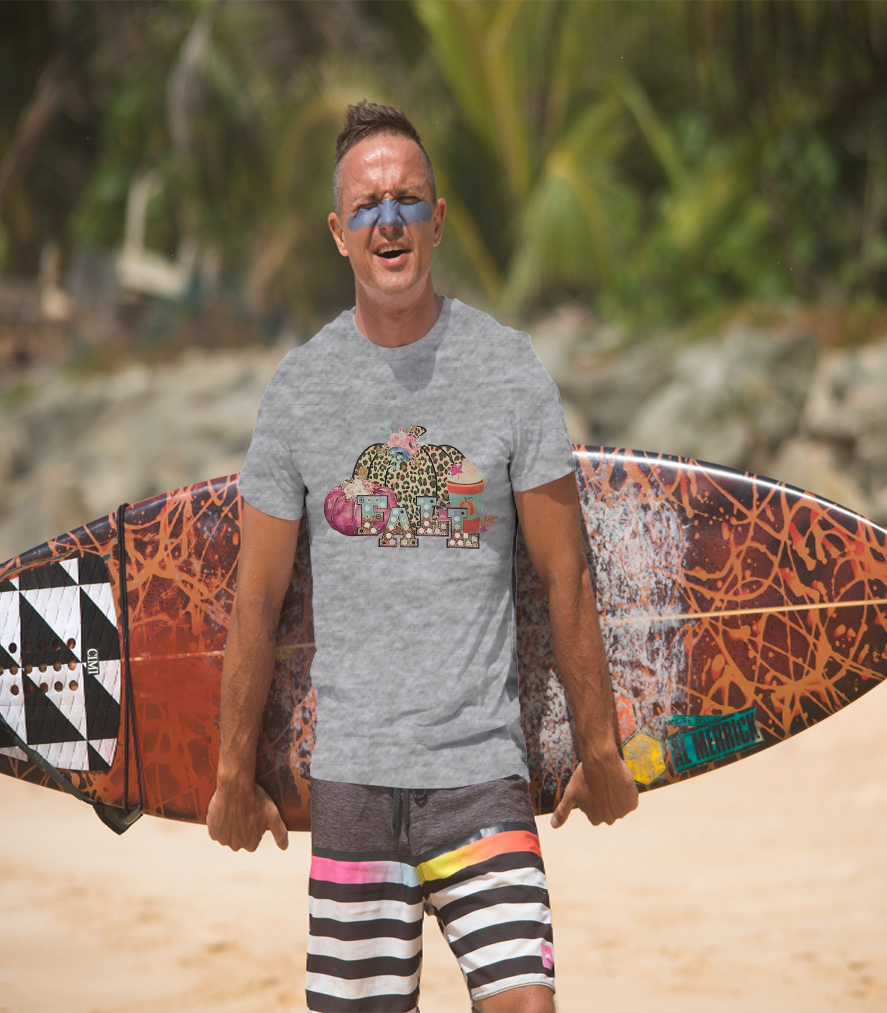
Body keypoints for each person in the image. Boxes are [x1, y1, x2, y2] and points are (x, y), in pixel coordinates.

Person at [207, 100, 638, 1013]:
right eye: (367, 206)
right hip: (354, 783)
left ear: (436, 220)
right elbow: (257, 599)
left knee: (527, 1003)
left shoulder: (509, 369)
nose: (389, 220)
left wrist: (599, 745)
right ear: (339, 233)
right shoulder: (300, 389)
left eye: (407, 200)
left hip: (482, 776)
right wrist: (231, 772)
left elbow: (565, 574)